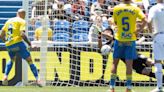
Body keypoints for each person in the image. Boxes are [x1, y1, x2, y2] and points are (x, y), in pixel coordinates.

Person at [110, 0, 147, 92]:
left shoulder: (117, 8)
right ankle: (128, 88)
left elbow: (115, 22)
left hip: (119, 39)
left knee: (115, 63)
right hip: (130, 39)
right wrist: (139, 30)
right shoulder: (135, 8)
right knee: (129, 65)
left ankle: (112, 88)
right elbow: (145, 20)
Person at [0, 9, 42, 87]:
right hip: (18, 43)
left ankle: (5, 76)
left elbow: (1, 35)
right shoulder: (22, 21)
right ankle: (38, 79)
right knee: (29, 61)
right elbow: (22, 34)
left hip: (9, 44)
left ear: (17, 13)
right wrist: (30, 44)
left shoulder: (8, 21)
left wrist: (6, 41)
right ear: (24, 15)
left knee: (12, 59)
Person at [148, 0, 164, 91]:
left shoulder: (154, 8)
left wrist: (151, 33)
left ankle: (159, 87)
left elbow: (149, 21)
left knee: (158, 61)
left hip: (159, 35)